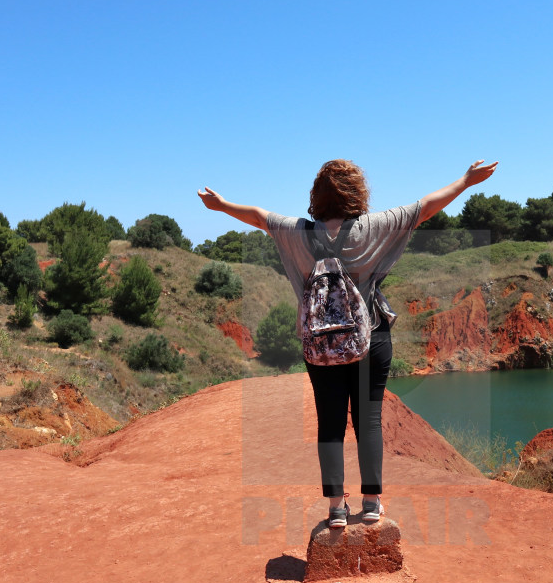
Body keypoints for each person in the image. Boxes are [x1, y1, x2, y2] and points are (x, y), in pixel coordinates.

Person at [198, 159, 498, 527]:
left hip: (321, 344)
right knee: (368, 421)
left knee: (330, 423)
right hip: (371, 337)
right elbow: (425, 207)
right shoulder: (372, 228)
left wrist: (222, 205)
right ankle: (371, 504)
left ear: (317, 196)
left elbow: (260, 216)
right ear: (358, 193)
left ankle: (337, 508)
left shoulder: (298, 233)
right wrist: (466, 181)